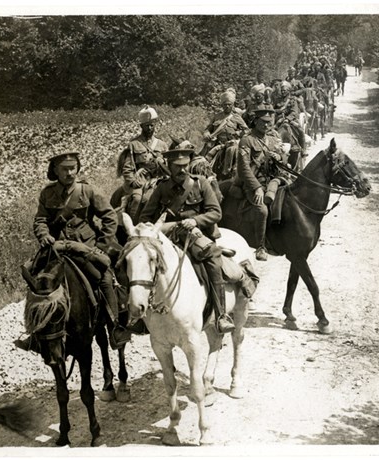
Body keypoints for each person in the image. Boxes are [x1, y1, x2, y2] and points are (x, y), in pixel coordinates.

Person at [16, 152, 132, 351]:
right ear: (55, 171)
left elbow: (110, 217)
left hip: (85, 248)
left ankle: (114, 326)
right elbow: (41, 219)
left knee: (104, 278)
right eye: (65, 169)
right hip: (56, 249)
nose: (70, 173)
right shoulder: (47, 194)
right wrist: (43, 235)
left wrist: (101, 246)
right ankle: (35, 332)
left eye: (73, 168)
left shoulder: (88, 191)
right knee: (35, 278)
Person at [139, 144, 236, 333]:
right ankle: (137, 315)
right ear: (169, 166)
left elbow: (216, 213)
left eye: (185, 165)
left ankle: (221, 314)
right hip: (169, 238)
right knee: (138, 262)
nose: (182, 169)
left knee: (213, 257)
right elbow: (145, 218)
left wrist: (196, 220)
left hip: (197, 237)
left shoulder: (200, 184)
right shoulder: (162, 188)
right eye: (177, 166)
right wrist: (163, 228)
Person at [233, 104, 289, 261]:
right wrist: (256, 187)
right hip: (254, 183)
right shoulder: (247, 141)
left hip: (274, 181)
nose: (266, 125)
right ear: (255, 121)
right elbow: (243, 168)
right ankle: (260, 246)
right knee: (262, 210)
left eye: (269, 122)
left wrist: (279, 158)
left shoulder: (272, 140)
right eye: (263, 122)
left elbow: (284, 159)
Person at [117, 106, 169, 222]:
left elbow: (168, 166)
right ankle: (133, 225)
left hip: (158, 179)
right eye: (147, 126)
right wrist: (133, 181)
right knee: (137, 198)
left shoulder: (162, 145)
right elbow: (127, 167)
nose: (150, 128)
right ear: (141, 126)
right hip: (141, 179)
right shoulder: (134, 144)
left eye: (152, 125)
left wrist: (162, 164)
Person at [202, 89, 249, 181]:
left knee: (231, 150)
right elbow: (208, 129)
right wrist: (207, 134)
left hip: (231, 143)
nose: (227, 106)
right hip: (217, 143)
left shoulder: (236, 117)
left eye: (229, 104)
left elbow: (246, 130)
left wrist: (238, 133)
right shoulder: (217, 116)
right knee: (204, 157)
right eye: (225, 104)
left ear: (232, 105)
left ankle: (228, 172)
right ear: (222, 105)